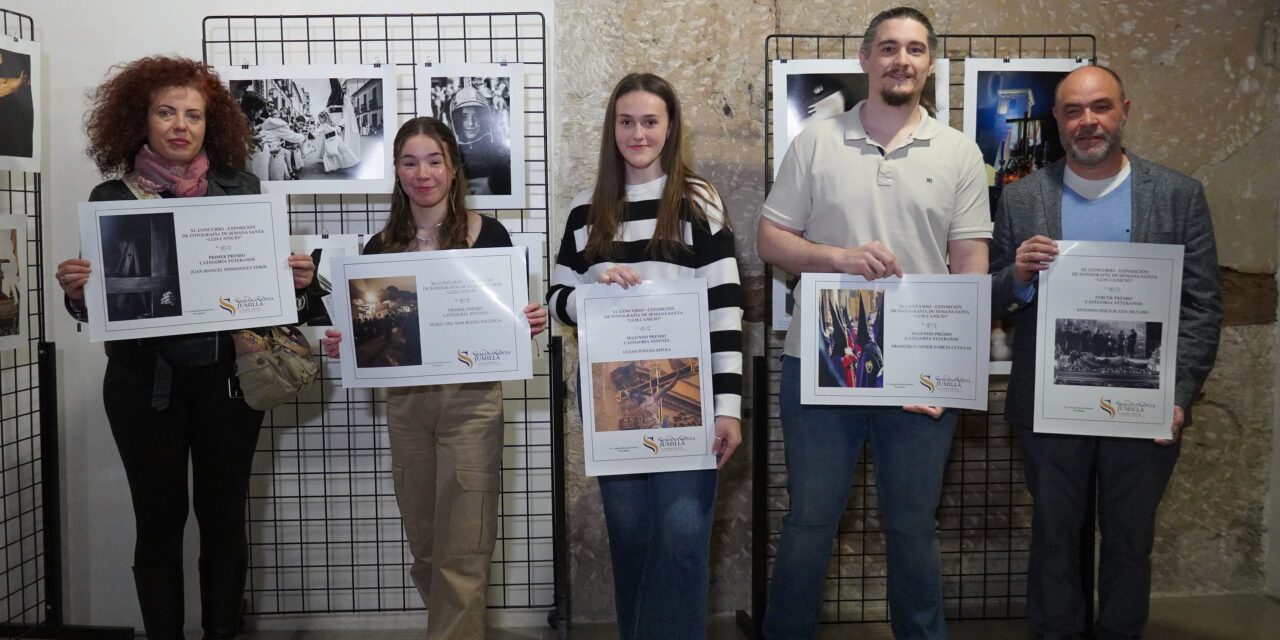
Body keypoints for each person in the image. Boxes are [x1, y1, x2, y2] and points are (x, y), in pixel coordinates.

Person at [53, 56, 323, 640]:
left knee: (224, 521)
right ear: (140, 121)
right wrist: (78, 293)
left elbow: (270, 307)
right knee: (158, 522)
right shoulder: (110, 198)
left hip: (228, 383)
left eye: (193, 115)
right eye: (166, 112)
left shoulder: (241, 190)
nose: (180, 125)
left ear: (211, 124)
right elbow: (98, 309)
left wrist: (295, 284)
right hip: (143, 388)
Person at [756, 7, 991, 638]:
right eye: (888, 48)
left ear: (931, 64)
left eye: (915, 50)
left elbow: (971, 263)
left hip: (917, 368)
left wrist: (951, 376)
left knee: (914, 524)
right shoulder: (816, 141)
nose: (901, 61)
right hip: (822, 360)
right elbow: (770, 240)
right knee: (809, 520)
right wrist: (837, 259)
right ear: (865, 60)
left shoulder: (960, 152)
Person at [990, 65, 1221, 640]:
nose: (1087, 121)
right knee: (1054, 537)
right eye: (1072, 110)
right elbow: (995, 296)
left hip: (1145, 405)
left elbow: (1201, 307)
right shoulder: (1023, 200)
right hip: (1050, 405)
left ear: (1124, 111)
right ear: (1057, 121)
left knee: (1128, 539)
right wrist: (1017, 276)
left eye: (1100, 107)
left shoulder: (1178, 195)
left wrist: (1178, 394)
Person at [320, 116, 547, 639]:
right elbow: (374, 335)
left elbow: (509, 320)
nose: (422, 173)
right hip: (407, 406)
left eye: (433, 160)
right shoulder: (378, 249)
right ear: (397, 173)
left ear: (452, 168)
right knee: (425, 546)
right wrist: (346, 343)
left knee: (464, 546)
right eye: (409, 162)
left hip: (471, 405)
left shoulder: (489, 235)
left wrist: (527, 322)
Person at [547, 72, 744, 638]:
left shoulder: (698, 200)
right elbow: (556, 300)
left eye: (650, 121)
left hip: (688, 394)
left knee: (682, 540)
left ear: (670, 128)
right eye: (626, 121)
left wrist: (727, 407)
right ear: (612, 128)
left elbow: (726, 308)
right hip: (613, 398)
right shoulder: (586, 211)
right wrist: (592, 291)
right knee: (631, 543)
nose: (638, 133)